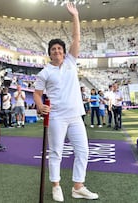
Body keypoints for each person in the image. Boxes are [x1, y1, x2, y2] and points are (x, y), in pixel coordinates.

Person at [33, 3, 98, 202]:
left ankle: (78, 186)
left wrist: (75, 16)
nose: (57, 51)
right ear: (49, 53)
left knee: (83, 151)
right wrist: (39, 104)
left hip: (76, 115)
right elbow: (37, 94)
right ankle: (56, 186)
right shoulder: (45, 72)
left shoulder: (71, 62)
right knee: (56, 152)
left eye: (60, 48)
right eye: (53, 49)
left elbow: (77, 38)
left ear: (64, 51)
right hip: (56, 116)